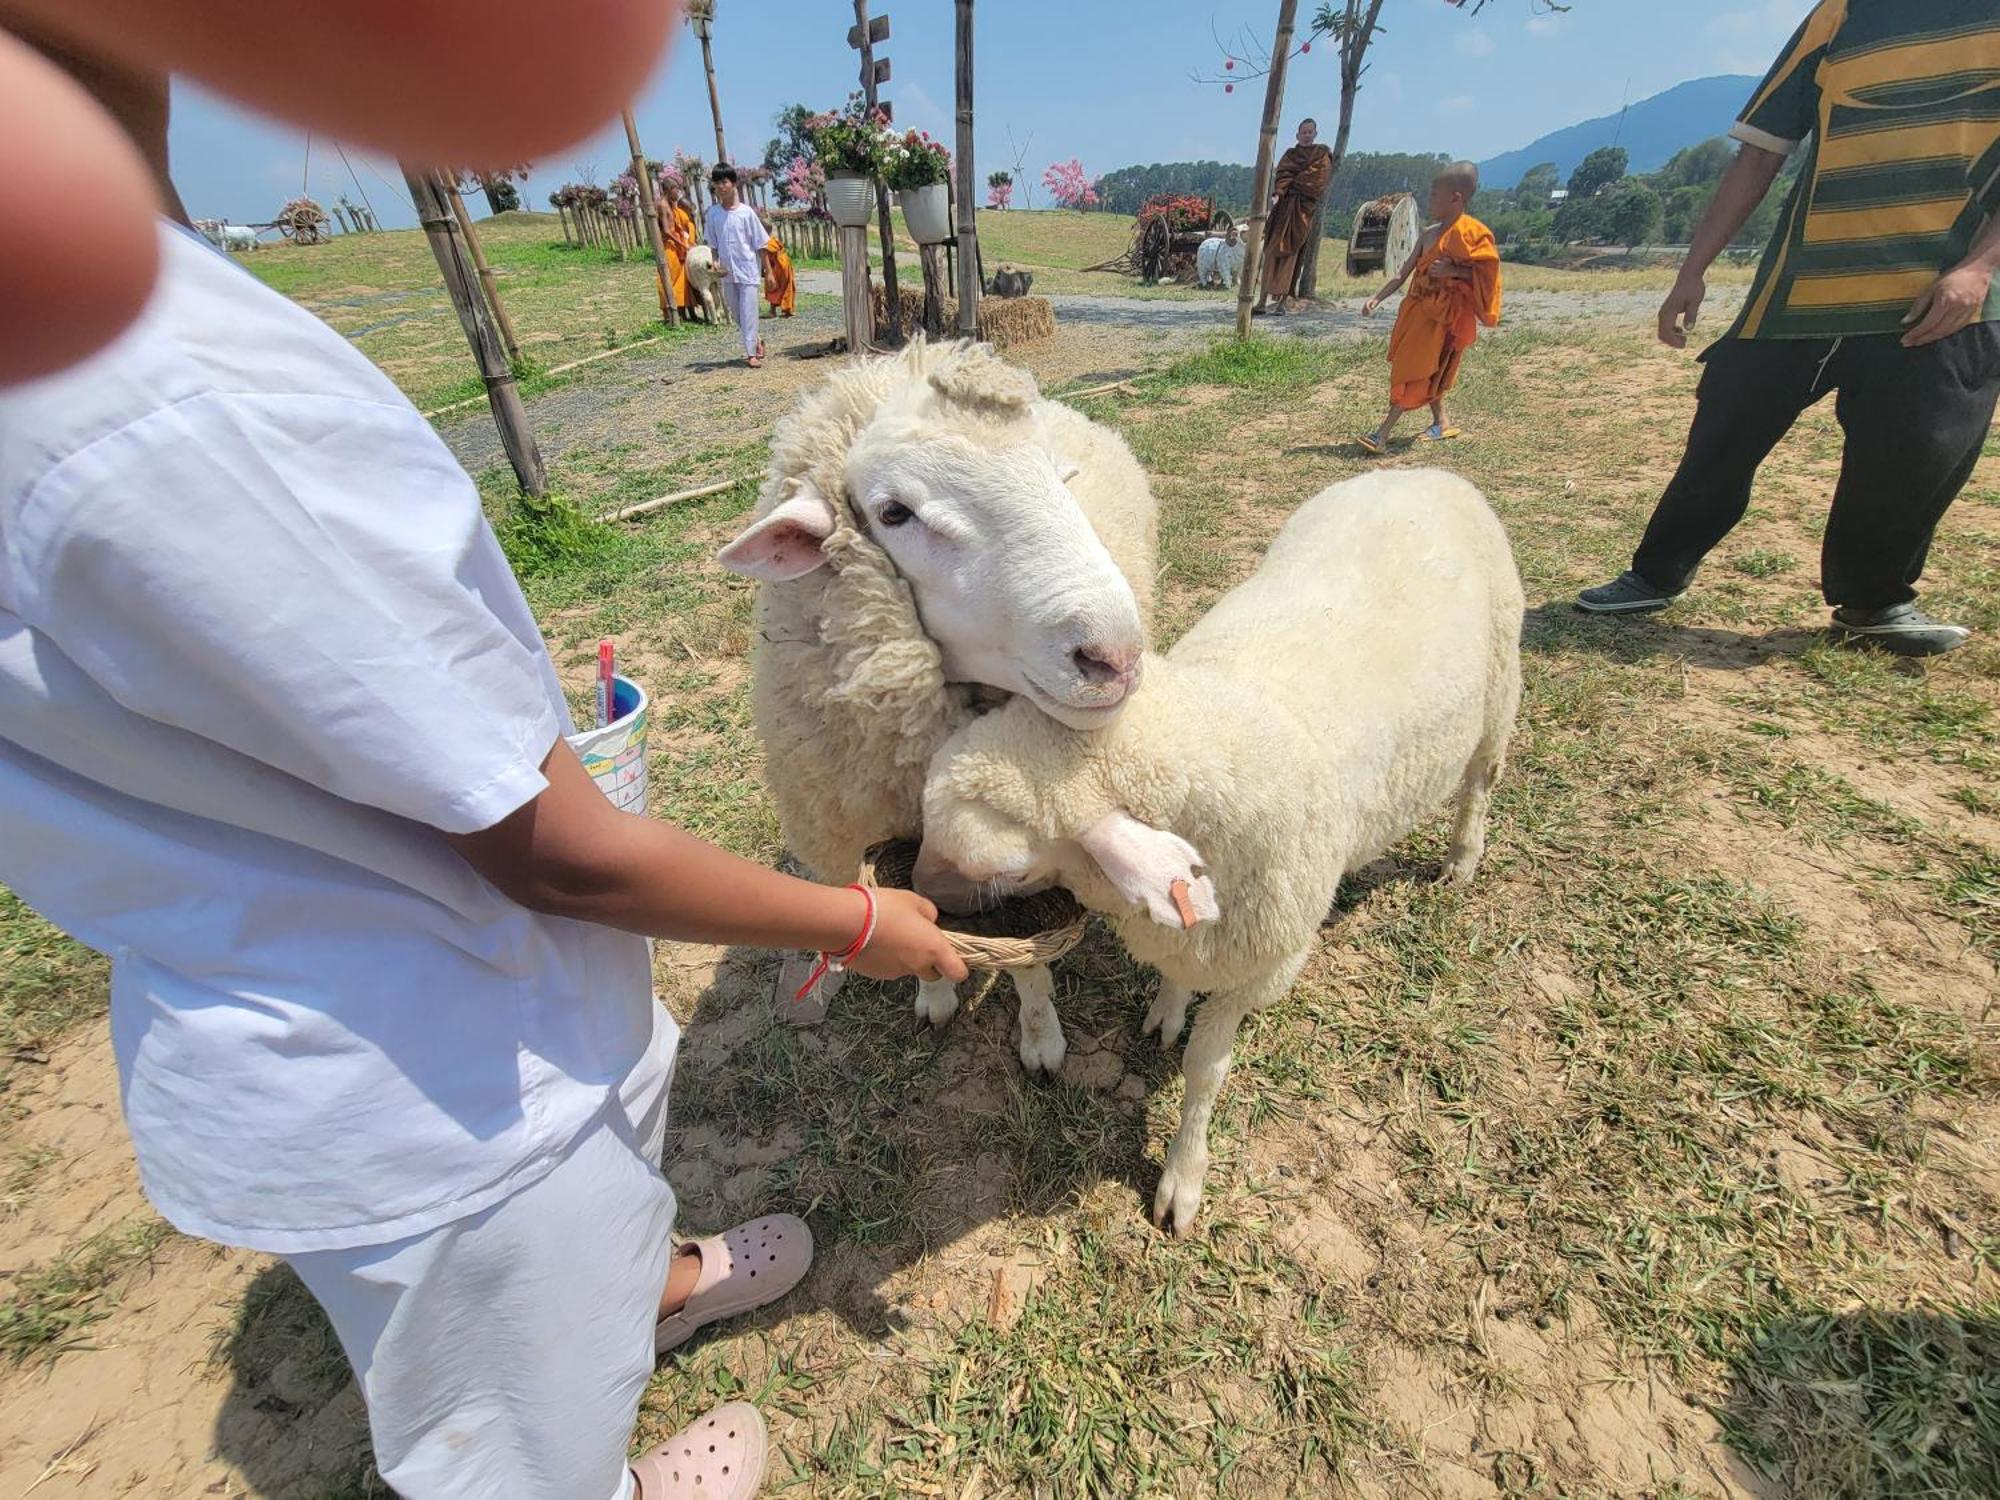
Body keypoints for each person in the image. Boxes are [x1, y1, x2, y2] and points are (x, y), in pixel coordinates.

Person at [0, 24, 970, 1500]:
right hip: (440, 1091)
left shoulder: (122, 307)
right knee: (510, 1425)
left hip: (367, 1003)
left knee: (586, 1235)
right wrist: (855, 917)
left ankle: (644, 1284)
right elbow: (550, 848)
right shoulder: (169, 409)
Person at [1576, 0, 2000, 657]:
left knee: (1914, 455)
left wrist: (1979, 268)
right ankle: (1654, 572)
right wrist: (1692, 270)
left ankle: (1874, 602)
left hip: (1939, 296)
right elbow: (1759, 154)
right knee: (1725, 426)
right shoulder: (1842, 13)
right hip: (1800, 289)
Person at [1358, 162, 1502, 454]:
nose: (1430, 201)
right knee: (1429, 369)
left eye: (1435, 195)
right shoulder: (1427, 235)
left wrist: (1454, 271)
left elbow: (1487, 278)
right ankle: (1442, 423)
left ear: (1456, 198)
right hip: (1418, 310)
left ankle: (1381, 434)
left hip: (1445, 317)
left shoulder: (1472, 235)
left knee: (1417, 369)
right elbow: (1403, 273)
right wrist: (1377, 297)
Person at [1253, 118, 1333, 316]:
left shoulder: (1321, 153)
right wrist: (1279, 192)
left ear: (1315, 133)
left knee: (1291, 256)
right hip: (1282, 211)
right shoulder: (1290, 154)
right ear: (1298, 135)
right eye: (1303, 132)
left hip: (1301, 212)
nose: (1306, 136)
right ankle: (1262, 301)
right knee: (1271, 253)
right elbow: (1282, 176)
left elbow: (1316, 182)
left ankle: (1282, 303)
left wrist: (1293, 183)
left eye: (1309, 132)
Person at [703, 164, 773, 367]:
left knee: (749, 311)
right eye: (717, 183)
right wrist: (715, 260)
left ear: (733, 184)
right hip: (727, 272)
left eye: (724, 182)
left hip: (748, 269)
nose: (721, 187)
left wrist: (768, 272)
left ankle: (751, 353)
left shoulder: (746, 213)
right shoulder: (713, 214)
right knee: (735, 312)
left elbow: (761, 244)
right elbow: (713, 244)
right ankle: (756, 340)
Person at [655, 180, 699, 319]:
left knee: (681, 279)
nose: (678, 193)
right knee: (668, 279)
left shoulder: (670, 205)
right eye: (676, 190)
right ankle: (669, 313)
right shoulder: (662, 205)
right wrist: (683, 244)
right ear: (669, 189)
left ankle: (683, 312)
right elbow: (667, 231)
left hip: (677, 246)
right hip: (669, 247)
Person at [1196, 223, 1243, 290]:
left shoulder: (1243, 250)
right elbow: (1224, 267)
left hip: (1239, 250)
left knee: (1238, 265)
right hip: (1206, 248)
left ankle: (1234, 281)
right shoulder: (1226, 250)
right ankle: (1204, 283)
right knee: (1205, 267)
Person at [763, 230, 796, 318]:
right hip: (785, 265)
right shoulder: (774, 240)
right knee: (786, 288)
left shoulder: (766, 243)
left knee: (772, 288)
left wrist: (766, 271)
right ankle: (788, 310)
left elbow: (766, 257)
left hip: (777, 267)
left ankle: (772, 311)